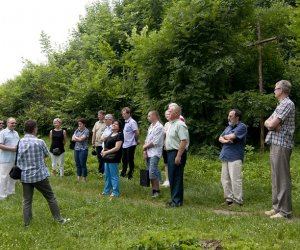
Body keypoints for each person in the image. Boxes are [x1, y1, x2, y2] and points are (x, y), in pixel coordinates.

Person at [17, 120, 68, 227]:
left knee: (27, 200)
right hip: (39, 175)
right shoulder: (40, 142)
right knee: (50, 197)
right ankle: (59, 220)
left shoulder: (20, 141)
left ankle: (27, 224)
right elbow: (46, 154)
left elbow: (19, 157)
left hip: (25, 175)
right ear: (34, 129)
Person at [264, 80, 295, 219]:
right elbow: (268, 122)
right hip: (275, 142)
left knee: (282, 177)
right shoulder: (280, 105)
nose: (274, 91)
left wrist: (272, 124)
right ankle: (277, 207)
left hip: (282, 144)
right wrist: (271, 124)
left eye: (275, 88)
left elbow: (271, 124)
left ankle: (284, 211)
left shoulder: (287, 103)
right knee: (276, 176)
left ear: (281, 90)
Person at [219, 109, 247, 206]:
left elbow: (233, 136)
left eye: (230, 116)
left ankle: (238, 200)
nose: (228, 118)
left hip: (235, 156)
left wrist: (226, 137)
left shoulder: (242, 127)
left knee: (235, 179)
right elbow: (220, 138)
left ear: (237, 117)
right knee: (225, 179)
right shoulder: (228, 127)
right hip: (225, 155)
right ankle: (229, 199)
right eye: (228, 116)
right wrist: (226, 140)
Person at [165, 104, 189, 207]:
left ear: (176, 113)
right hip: (170, 152)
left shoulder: (180, 124)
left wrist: (178, 156)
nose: (168, 113)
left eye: (170, 111)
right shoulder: (171, 124)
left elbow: (183, 141)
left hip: (177, 152)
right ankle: (174, 199)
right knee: (172, 177)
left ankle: (177, 202)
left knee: (177, 177)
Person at [143, 111, 164, 197]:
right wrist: (144, 151)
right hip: (148, 152)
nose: (148, 117)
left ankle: (157, 191)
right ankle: (154, 189)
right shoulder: (151, 126)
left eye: (149, 116)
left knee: (152, 172)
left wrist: (144, 147)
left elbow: (155, 142)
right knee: (149, 172)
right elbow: (147, 140)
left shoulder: (159, 127)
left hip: (155, 153)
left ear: (154, 116)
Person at [101, 120, 124, 197]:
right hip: (107, 157)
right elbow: (106, 145)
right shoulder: (111, 134)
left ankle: (115, 192)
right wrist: (103, 150)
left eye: (116, 124)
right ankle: (107, 190)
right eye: (113, 123)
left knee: (114, 175)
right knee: (107, 175)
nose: (114, 125)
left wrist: (106, 152)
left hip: (114, 157)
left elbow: (117, 148)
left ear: (119, 127)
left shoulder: (119, 135)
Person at [0, 117, 19, 200]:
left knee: (12, 176)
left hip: (15, 159)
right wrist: (12, 149)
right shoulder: (3, 133)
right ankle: (2, 195)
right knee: (3, 177)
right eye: (12, 123)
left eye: (15, 123)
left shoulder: (16, 133)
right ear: (7, 123)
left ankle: (10, 192)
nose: (13, 124)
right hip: (5, 159)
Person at [120, 107, 139, 180]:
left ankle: (130, 174)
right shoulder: (126, 122)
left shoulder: (132, 122)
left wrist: (136, 140)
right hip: (125, 144)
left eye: (124, 114)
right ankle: (123, 172)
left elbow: (136, 132)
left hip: (131, 144)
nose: (123, 115)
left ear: (129, 114)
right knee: (124, 159)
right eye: (122, 114)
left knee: (130, 159)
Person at [92, 110, 106, 176]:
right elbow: (94, 133)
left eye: (100, 115)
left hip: (104, 143)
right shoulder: (96, 123)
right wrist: (93, 142)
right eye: (98, 115)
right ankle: (100, 171)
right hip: (97, 143)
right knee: (99, 157)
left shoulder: (106, 123)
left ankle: (105, 171)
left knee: (105, 157)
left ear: (103, 115)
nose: (99, 116)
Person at [161, 110, 171, 187]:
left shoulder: (175, 123)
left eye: (168, 114)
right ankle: (167, 179)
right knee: (166, 164)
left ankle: (171, 179)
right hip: (165, 147)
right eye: (166, 114)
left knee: (172, 164)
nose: (167, 115)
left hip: (172, 148)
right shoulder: (166, 124)